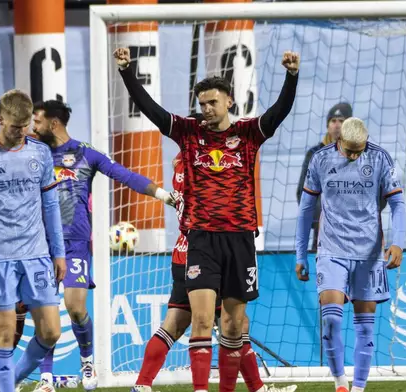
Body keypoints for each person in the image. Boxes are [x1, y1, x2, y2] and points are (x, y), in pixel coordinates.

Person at [114, 46, 299, 392]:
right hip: (201, 239)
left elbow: (279, 112)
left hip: (241, 238)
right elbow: (151, 110)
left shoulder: (248, 134)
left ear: (229, 101)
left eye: (212, 103)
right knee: (200, 320)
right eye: (202, 104)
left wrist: (291, 77)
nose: (206, 110)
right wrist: (127, 72)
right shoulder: (187, 132)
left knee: (232, 326)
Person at [26, 99, 175, 391]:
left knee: (75, 307)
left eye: (38, 121)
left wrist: (162, 194)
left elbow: (125, 176)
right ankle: (45, 378)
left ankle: (87, 359)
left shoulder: (86, 153)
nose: (34, 126)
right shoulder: (35, 154)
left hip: (76, 243)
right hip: (40, 244)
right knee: (46, 311)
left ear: (54, 123)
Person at [132, 127, 297, 392]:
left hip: (184, 252)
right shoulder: (201, 166)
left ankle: (142, 384)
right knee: (232, 324)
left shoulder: (182, 164)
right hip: (204, 253)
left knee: (179, 321)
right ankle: (253, 388)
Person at [0, 89, 66, 392]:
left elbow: (50, 206)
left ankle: (10, 378)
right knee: (5, 334)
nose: (21, 132)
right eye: (14, 126)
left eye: (25, 126)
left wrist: (58, 253)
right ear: (0, 119)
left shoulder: (40, 152)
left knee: (51, 332)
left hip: (37, 254)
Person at [295, 117, 406, 392]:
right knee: (331, 320)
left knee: (365, 328)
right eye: (349, 151)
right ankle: (340, 383)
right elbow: (306, 209)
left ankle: (358, 388)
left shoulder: (380, 158)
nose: (355, 156)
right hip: (332, 250)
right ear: (339, 141)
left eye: (359, 150)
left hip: (369, 254)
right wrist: (300, 254)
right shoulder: (320, 159)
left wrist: (398, 242)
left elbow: (398, 204)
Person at [296, 103, 353, 251]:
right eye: (333, 121)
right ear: (328, 125)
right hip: (323, 234)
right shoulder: (315, 154)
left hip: (355, 233)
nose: (337, 125)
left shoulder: (361, 154)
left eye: (341, 121)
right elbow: (303, 193)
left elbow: (375, 193)